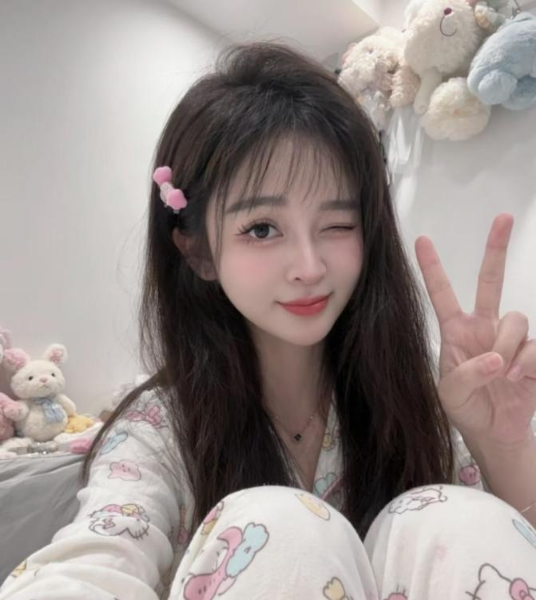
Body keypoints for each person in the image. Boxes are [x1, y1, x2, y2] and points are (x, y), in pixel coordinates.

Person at [1, 41, 535, 600]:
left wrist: (501, 443)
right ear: (198, 252)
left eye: (338, 224)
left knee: (449, 516)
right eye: (261, 229)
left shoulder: (423, 390)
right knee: (279, 524)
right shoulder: (160, 429)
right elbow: (95, 558)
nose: (309, 267)